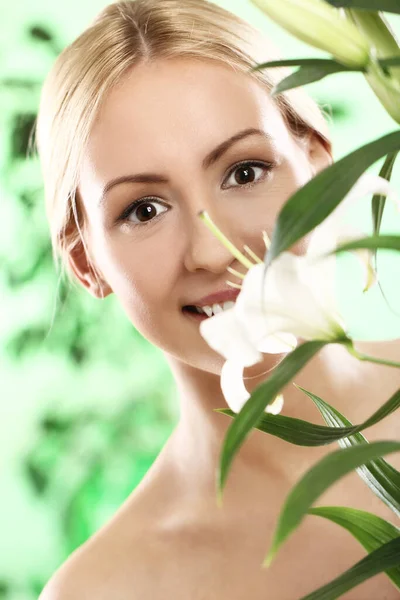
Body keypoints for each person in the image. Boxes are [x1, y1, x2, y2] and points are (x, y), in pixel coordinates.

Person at [35, 0, 400, 598]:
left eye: (245, 172)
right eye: (143, 210)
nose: (210, 250)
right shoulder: (104, 590)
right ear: (85, 261)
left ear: (318, 161)